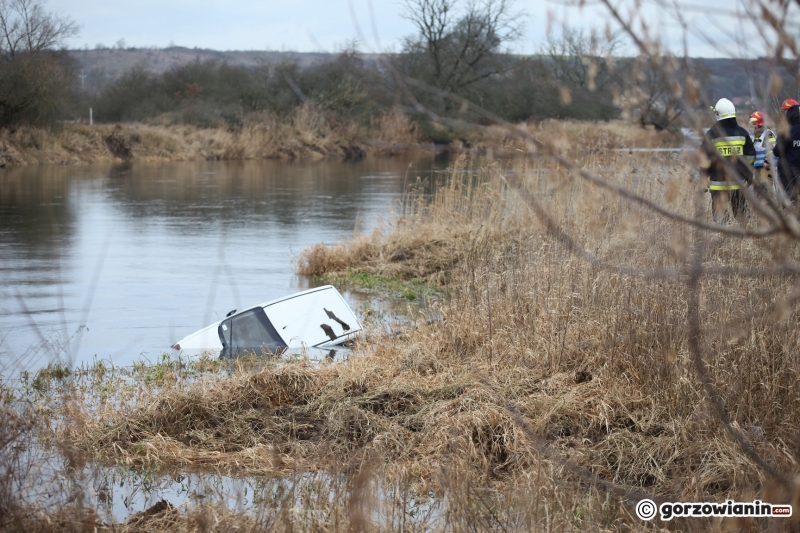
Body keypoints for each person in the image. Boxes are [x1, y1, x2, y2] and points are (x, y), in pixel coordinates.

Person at [700, 98, 757, 222]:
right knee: (742, 216)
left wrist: (703, 178)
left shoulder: (711, 134)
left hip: (718, 184)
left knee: (720, 218)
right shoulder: (742, 133)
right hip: (738, 183)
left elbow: (704, 159)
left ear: (718, 114)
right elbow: (751, 156)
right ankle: (748, 233)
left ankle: (722, 233)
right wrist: (748, 174)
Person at [772, 98, 800, 204]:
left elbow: (778, 151)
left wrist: (774, 148)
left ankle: (791, 214)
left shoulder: (787, 131)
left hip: (788, 171)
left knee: (789, 199)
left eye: (786, 111)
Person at [749, 110, 776, 192]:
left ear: (761, 123)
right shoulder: (758, 135)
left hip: (765, 167)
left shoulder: (768, 134)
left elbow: (772, 149)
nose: (753, 126)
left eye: (755, 124)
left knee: (766, 188)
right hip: (758, 166)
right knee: (757, 189)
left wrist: (767, 161)